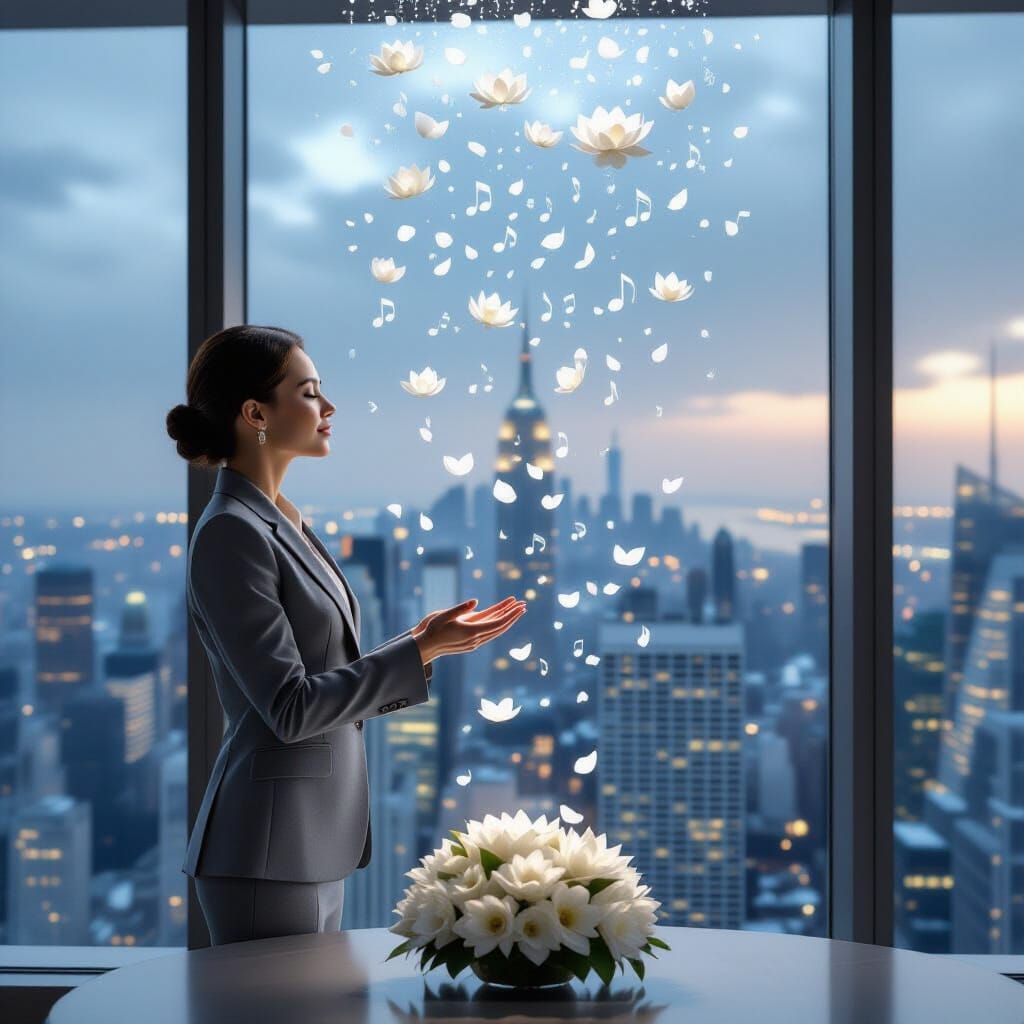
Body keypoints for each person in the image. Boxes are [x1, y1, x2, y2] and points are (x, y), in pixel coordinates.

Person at [165, 324, 526, 945]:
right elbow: (289, 706)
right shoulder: (233, 533)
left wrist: (418, 641)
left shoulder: (279, 522)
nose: (327, 409)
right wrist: (421, 651)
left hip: (305, 845)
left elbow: (318, 672)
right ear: (256, 414)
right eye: (308, 393)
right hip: (265, 852)